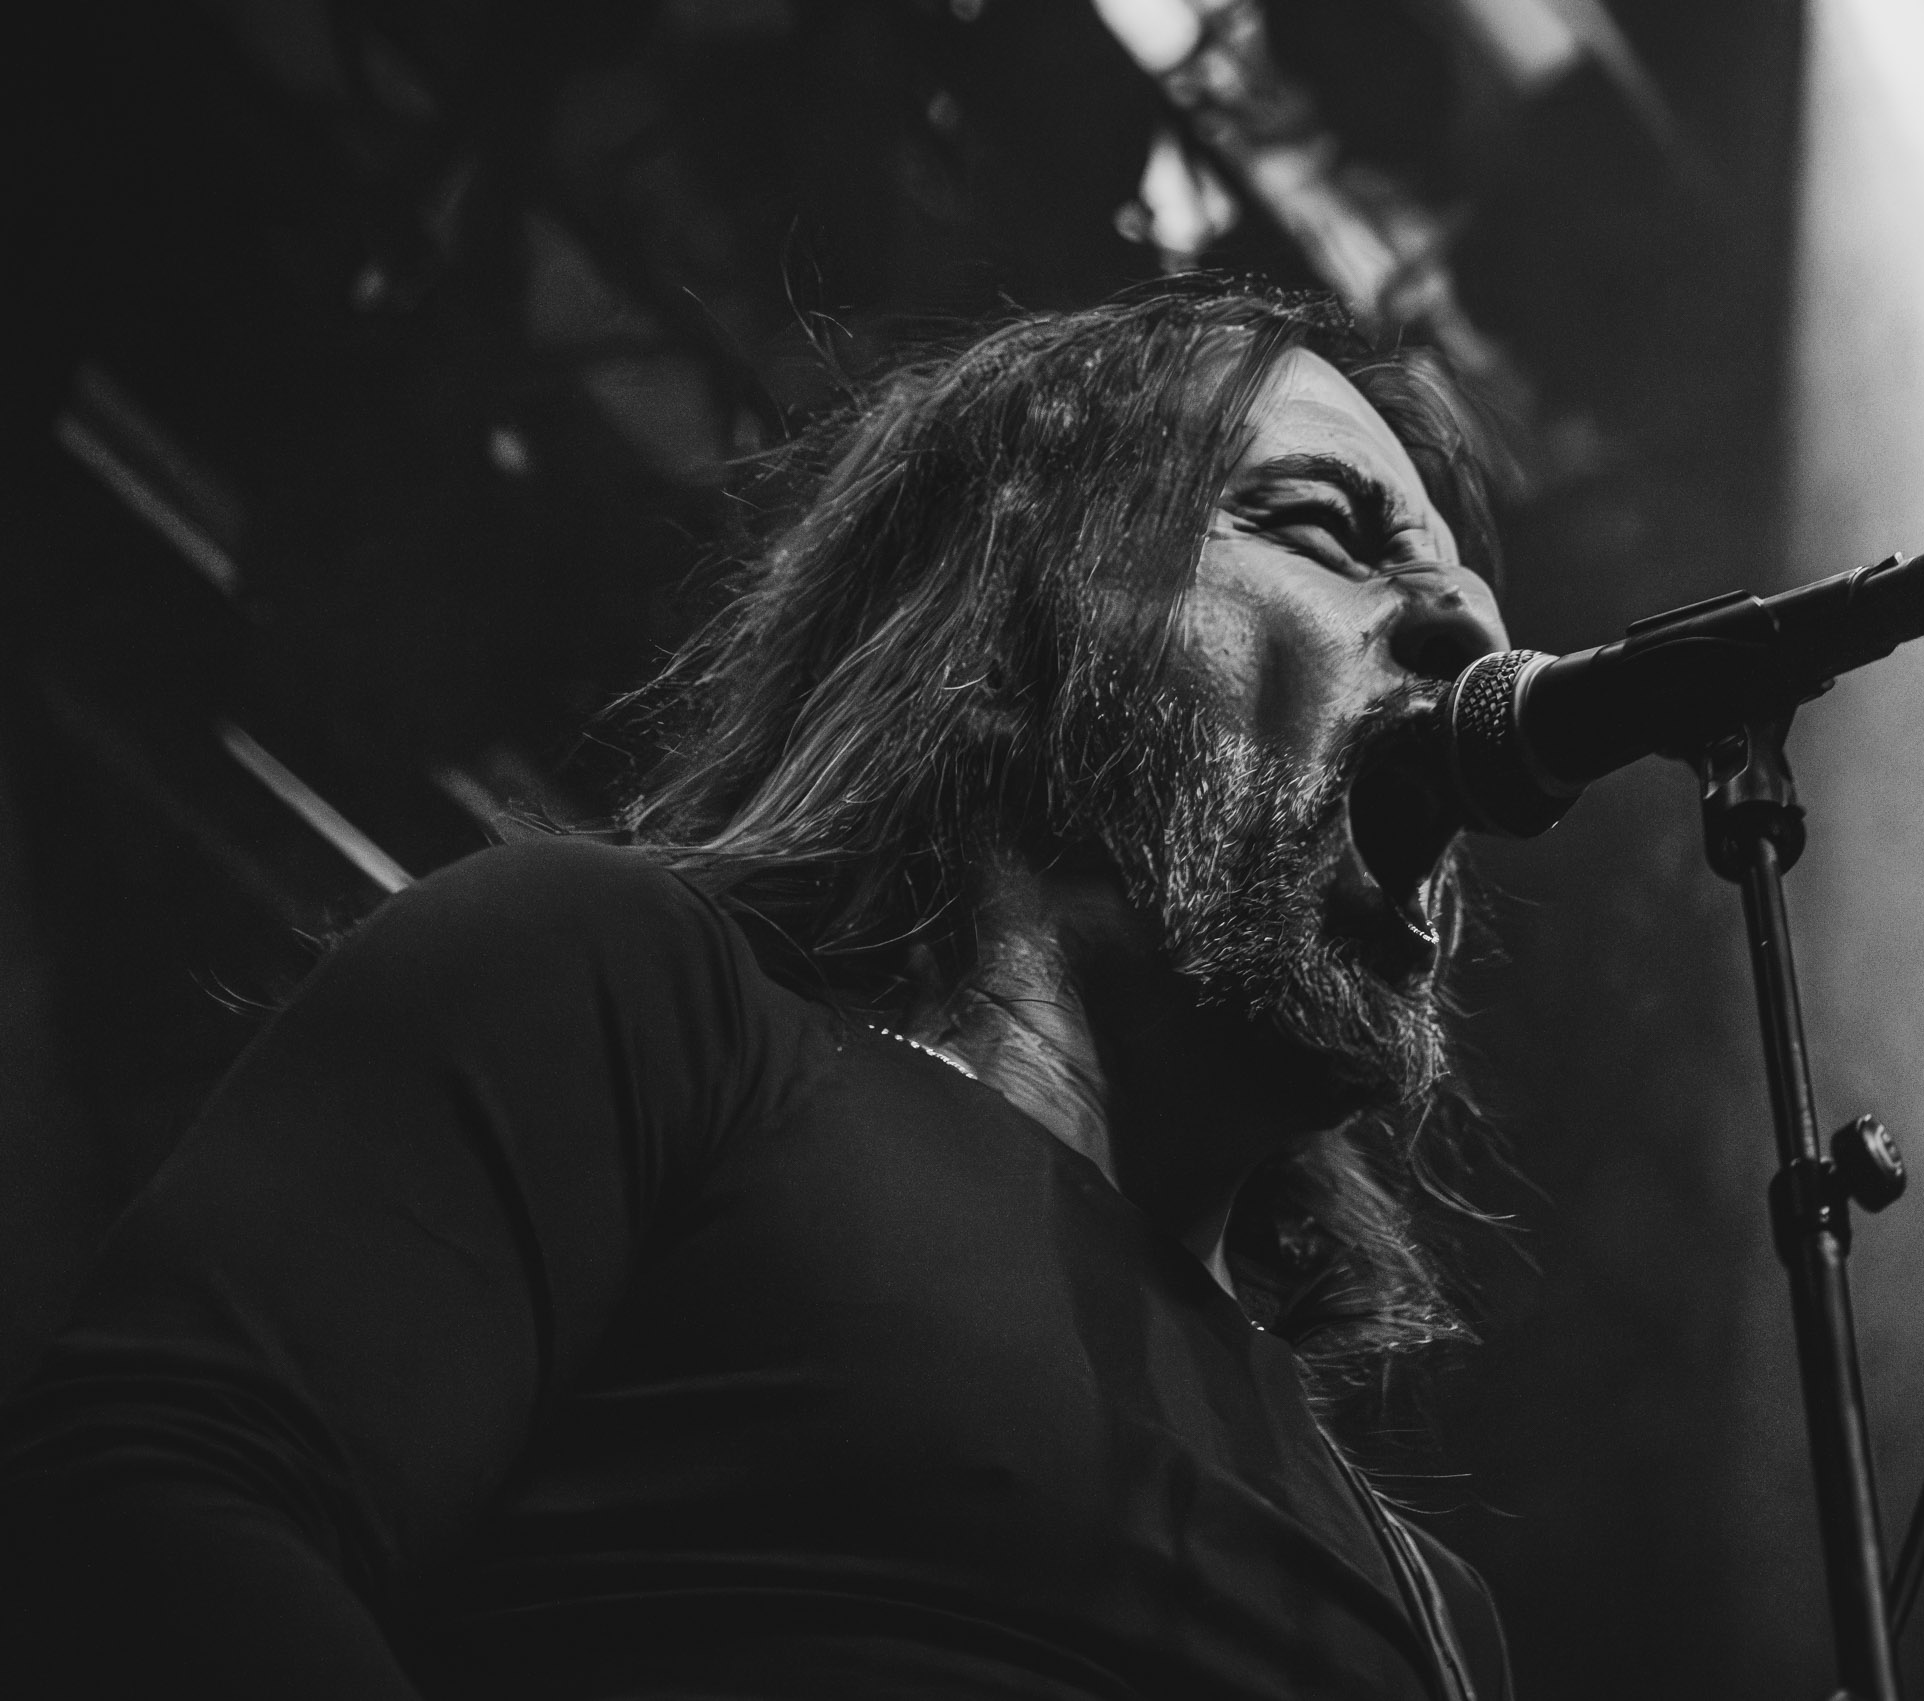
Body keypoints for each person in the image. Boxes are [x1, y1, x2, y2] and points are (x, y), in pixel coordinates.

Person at [0, 289, 1517, 1699]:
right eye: (1325, 528)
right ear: (1016, 621)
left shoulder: (1439, 1621)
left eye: (1462, 582)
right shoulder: (626, 989)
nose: (1471, 631)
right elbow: (160, 1514)